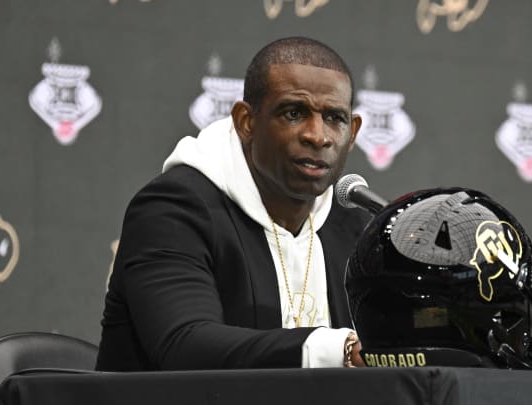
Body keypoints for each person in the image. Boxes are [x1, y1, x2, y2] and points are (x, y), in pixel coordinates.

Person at [96, 36, 369, 371]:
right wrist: (333, 349)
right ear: (246, 121)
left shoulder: (354, 226)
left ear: (353, 132)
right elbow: (185, 344)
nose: (317, 135)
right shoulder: (174, 210)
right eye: (294, 113)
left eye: (334, 118)